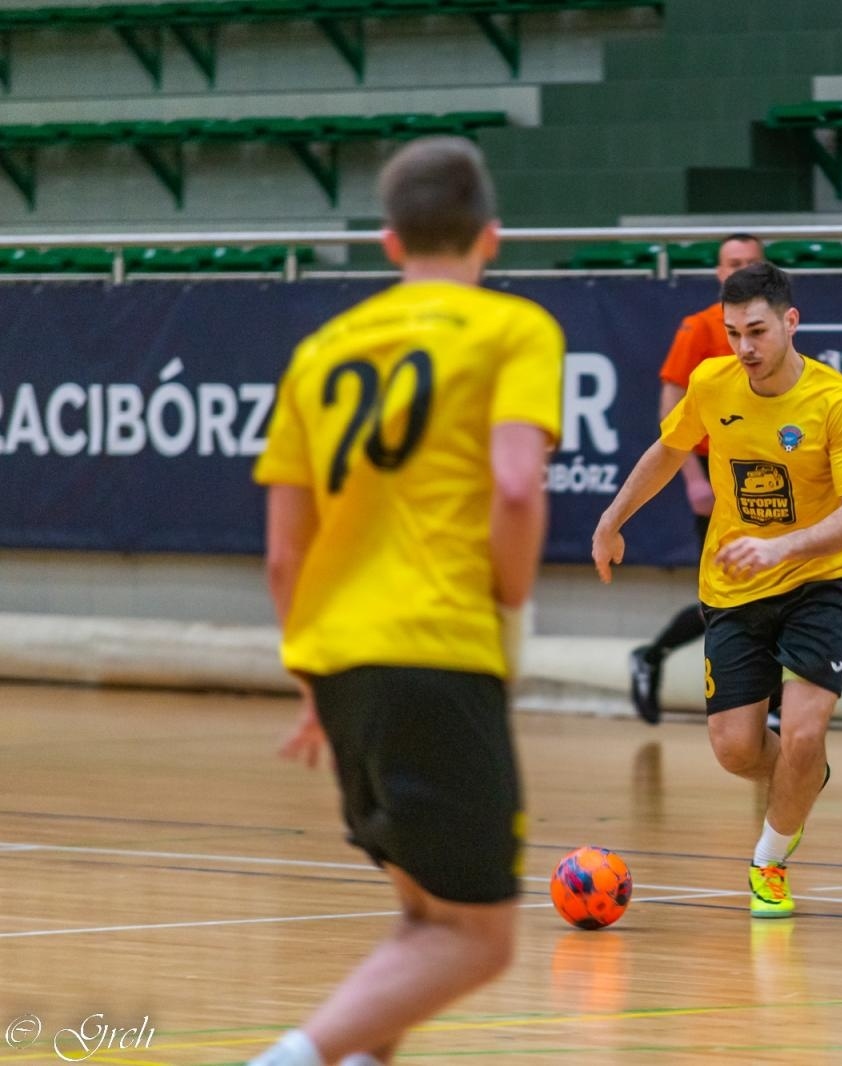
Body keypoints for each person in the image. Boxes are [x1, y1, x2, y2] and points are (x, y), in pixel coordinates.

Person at [249, 136, 562, 1064]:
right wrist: (508, 604)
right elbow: (515, 484)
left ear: (389, 243)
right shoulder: (515, 331)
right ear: (490, 238)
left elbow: (281, 554)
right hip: (438, 646)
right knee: (477, 938)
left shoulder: (320, 350)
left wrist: (311, 678)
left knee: (426, 922)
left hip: (340, 658)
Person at [592, 262, 842, 918]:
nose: (744, 347)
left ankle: (768, 863)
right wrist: (612, 519)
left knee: (804, 734)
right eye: (732, 333)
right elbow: (669, 450)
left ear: (790, 323)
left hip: (818, 580)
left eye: (756, 331)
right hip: (733, 586)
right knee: (735, 751)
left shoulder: (835, 400)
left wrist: (783, 546)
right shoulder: (711, 382)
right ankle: (803, 781)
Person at [628, 233, 768, 726]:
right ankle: (654, 655)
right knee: (727, 591)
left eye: (752, 262)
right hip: (713, 470)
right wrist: (693, 479)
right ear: (718, 272)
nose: (742, 269)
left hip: (760, 470)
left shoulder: (771, 329)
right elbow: (672, 415)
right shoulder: (700, 328)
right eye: (734, 262)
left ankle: (763, 701)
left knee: (765, 585)